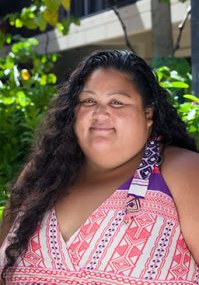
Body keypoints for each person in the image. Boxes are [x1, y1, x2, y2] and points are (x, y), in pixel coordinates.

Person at [0, 49, 199, 284]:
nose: (100, 112)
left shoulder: (183, 171)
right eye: (88, 101)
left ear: (148, 113)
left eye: (117, 102)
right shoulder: (41, 176)